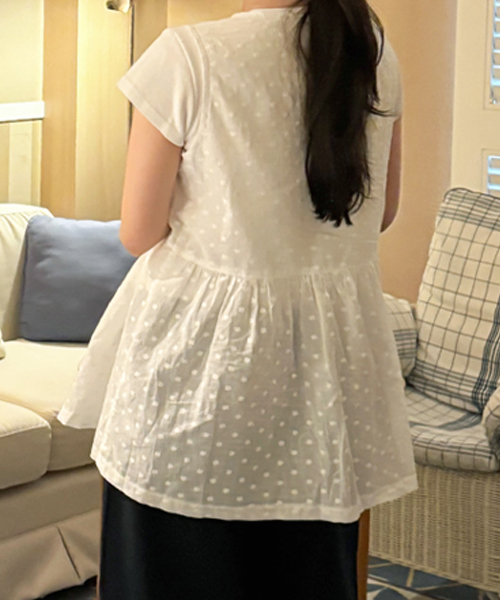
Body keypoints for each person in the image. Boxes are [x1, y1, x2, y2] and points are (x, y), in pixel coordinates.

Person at [58, 0, 418, 598]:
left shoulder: (189, 56)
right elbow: (381, 212)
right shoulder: (371, 52)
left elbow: (138, 231)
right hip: (323, 388)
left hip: (201, 378)